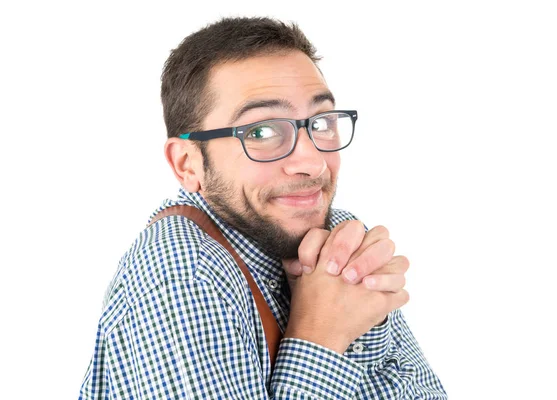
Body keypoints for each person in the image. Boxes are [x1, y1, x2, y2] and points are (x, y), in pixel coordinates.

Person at [79, 16, 447, 399]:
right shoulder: (184, 273)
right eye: (261, 132)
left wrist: (359, 311)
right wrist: (320, 333)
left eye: (320, 123)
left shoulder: (328, 238)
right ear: (187, 163)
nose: (313, 161)